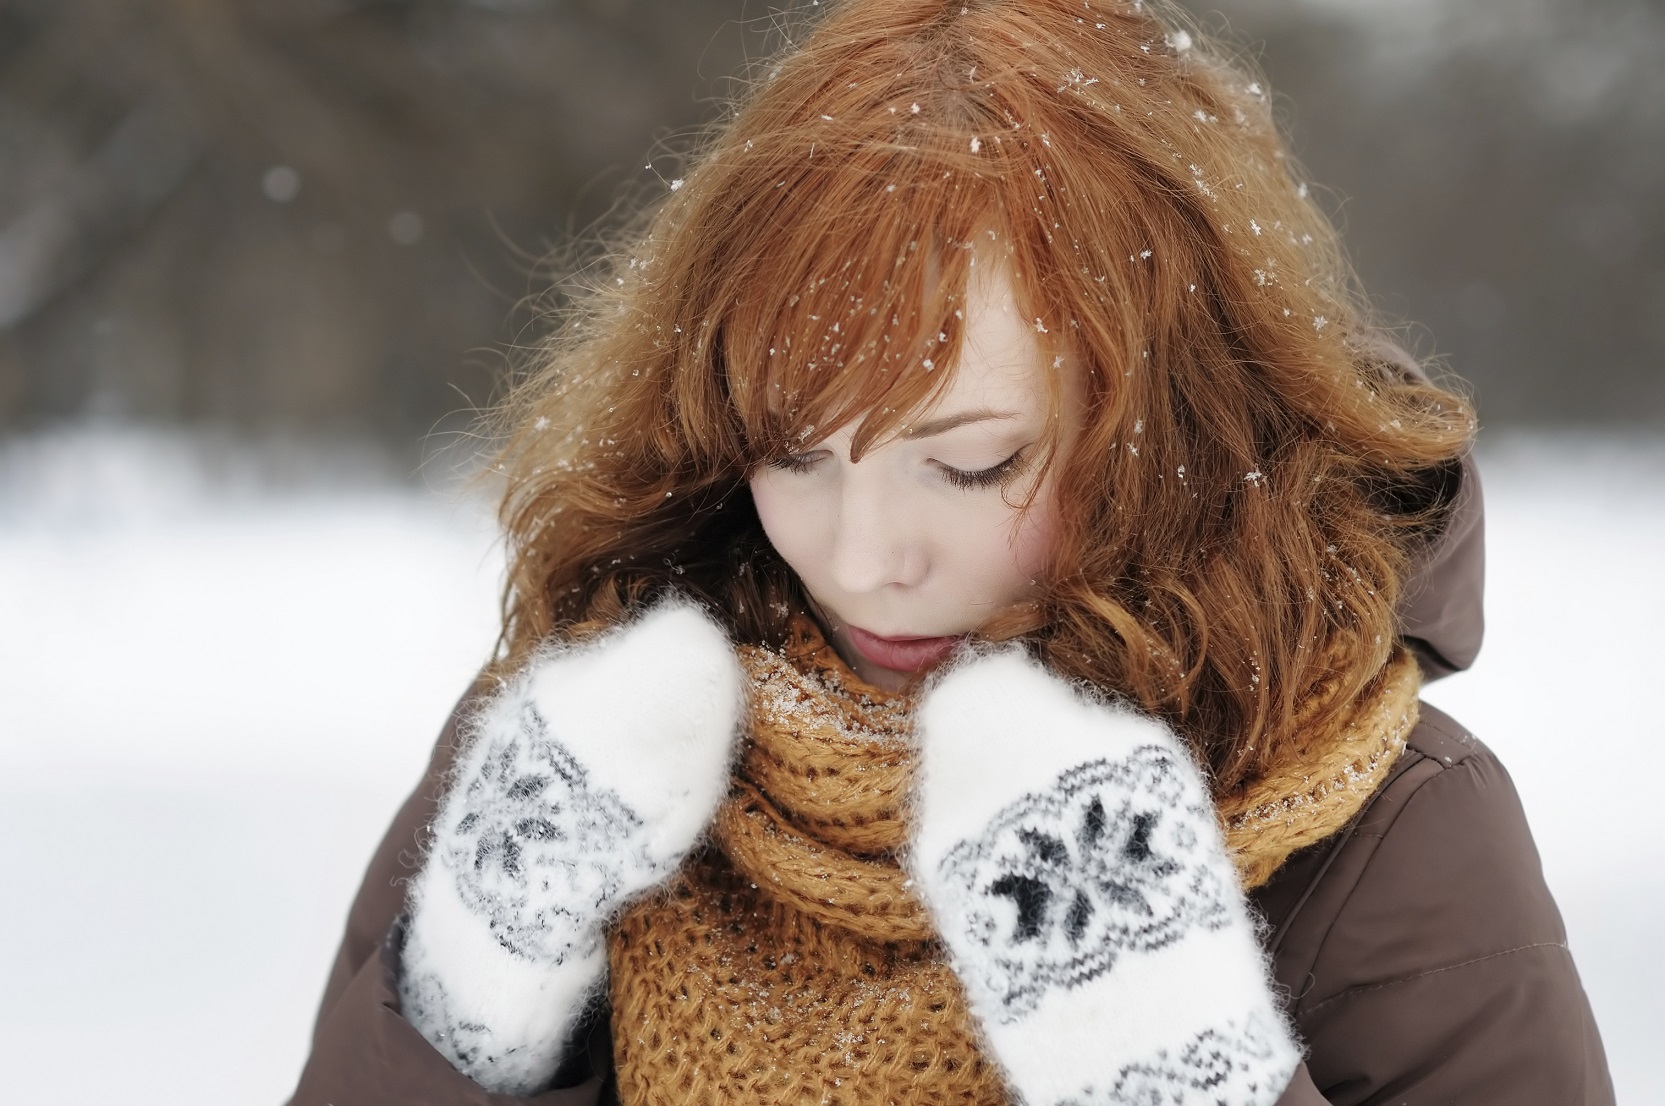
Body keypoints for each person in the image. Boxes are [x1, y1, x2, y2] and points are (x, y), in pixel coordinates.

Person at [292, 1, 1613, 1102]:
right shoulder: (580, 739)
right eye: (793, 452)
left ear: (1170, 421)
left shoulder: (1388, 829)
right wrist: (464, 1008)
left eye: (971, 462)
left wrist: (1172, 1064)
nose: (863, 557)